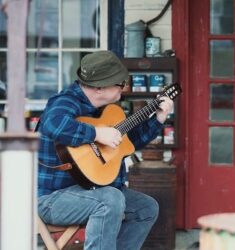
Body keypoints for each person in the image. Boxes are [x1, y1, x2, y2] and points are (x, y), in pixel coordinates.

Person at [37, 50, 174, 250]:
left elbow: (128, 143)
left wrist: (158, 119)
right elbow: (53, 124)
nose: (124, 88)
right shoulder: (66, 102)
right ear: (99, 88)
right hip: (52, 199)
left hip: (92, 192)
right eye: (120, 83)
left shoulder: (107, 111)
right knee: (110, 199)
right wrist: (96, 134)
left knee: (146, 208)